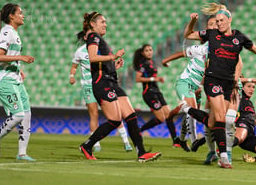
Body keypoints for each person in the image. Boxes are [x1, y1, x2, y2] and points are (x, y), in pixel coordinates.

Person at [181, 3, 256, 169]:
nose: (218, 23)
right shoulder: (211, 34)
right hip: (213, 80)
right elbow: (188, 34)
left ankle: (187, 109)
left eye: (221, 20)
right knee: (220, 117)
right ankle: (224, 156)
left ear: (229, 20)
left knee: (212, 123)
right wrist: (193, 21)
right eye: (217, 21)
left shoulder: (239, 38)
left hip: (228, 83)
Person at [78, 12, 160, 162]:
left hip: (111, 81)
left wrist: (113, 66)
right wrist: (113, 56)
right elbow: (93, 58)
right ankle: (87, 146)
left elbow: (99, 64)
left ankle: (141, 153)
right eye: (102, 22)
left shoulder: (100, 39)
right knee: (115, 120)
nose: (105, 24)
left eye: (105, 22)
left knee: (131, 115)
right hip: (102, 83)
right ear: (93, 24)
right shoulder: (93, 37)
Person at [162, 16, 218, 154]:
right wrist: (165, 60)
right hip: (185, 83)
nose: (214, 26)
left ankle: (181, 139)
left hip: (196, 86)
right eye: (211, 24)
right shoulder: (200, 48)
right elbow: (181, 53)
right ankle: (193, 141)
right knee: (192, 112)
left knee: (190, 113)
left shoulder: (216, 49)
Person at [70, 31, 133, 152]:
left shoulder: (101, 49)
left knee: (116, 114)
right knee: (94, 114)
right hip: (88, 85)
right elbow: (74, 66)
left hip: (102, 84)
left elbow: (106, 68)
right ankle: (95, 143)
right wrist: (71, 76)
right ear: (85, 37)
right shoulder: (80, 52)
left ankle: (126, 141)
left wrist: (115, 67)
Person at [0, 3, 35, 161]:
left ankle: (22, 153)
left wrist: (19, 68)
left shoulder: (14, 33)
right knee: (18, 114)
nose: (23, 15)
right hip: (4, 79)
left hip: (15, 79)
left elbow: (9, 56)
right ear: (11, 16)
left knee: (27, 114)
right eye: (20, 13)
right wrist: (20, 57)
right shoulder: (6, 32)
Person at [132, 44, 181, 148]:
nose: (149, 52)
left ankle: (175, 141)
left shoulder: (151, 63)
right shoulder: (142, 64)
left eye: (150, 50)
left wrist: (165, 64)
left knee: (169, 115)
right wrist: (154, 79)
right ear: (142, 53)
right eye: (147, 50)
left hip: (157, 92)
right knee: (161, 118)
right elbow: (138, 78)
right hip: (149, 93)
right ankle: (139, 130)